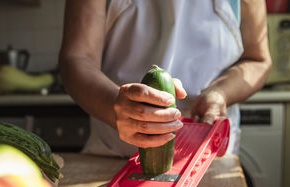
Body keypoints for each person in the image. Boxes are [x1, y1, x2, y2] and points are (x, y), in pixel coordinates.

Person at [59, 0, 271, 158]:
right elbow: (77, 58)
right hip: (117, 153)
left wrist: (220, 93)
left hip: (207, 156)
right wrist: (114, 106)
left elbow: (257, 59)